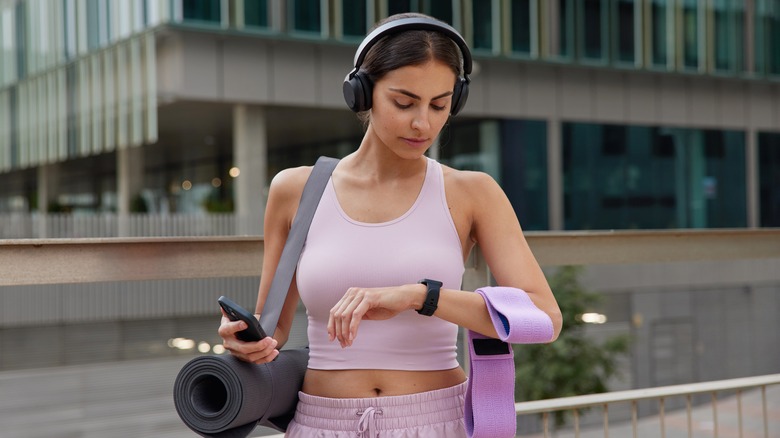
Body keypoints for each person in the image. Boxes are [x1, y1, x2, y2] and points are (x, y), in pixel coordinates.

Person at [218, 12, 562, 437]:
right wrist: (244, 336)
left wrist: (420, 296)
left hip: (436, 423)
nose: (423, 123)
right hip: (321, 424)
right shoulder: (295, 190)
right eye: (404, 103)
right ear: (362, 93)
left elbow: (544, 318)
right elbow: (274, 325)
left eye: (439, 105)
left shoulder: (472, 192)